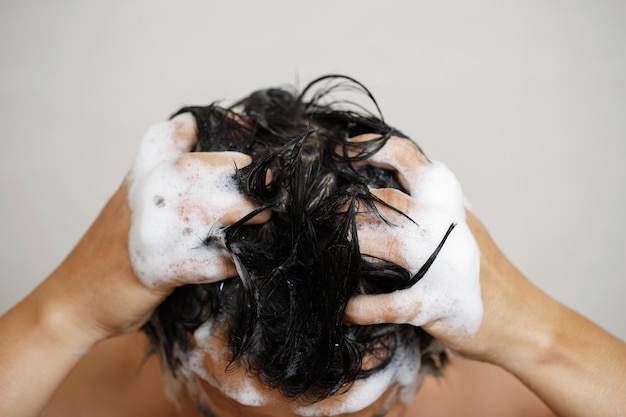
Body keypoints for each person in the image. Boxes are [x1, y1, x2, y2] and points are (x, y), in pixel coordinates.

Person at [0, 77, 624, 417]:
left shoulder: (504, 404)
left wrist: (542, 338)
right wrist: (57, 317)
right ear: (170, 364)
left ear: (422, 354)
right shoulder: (85, 397)